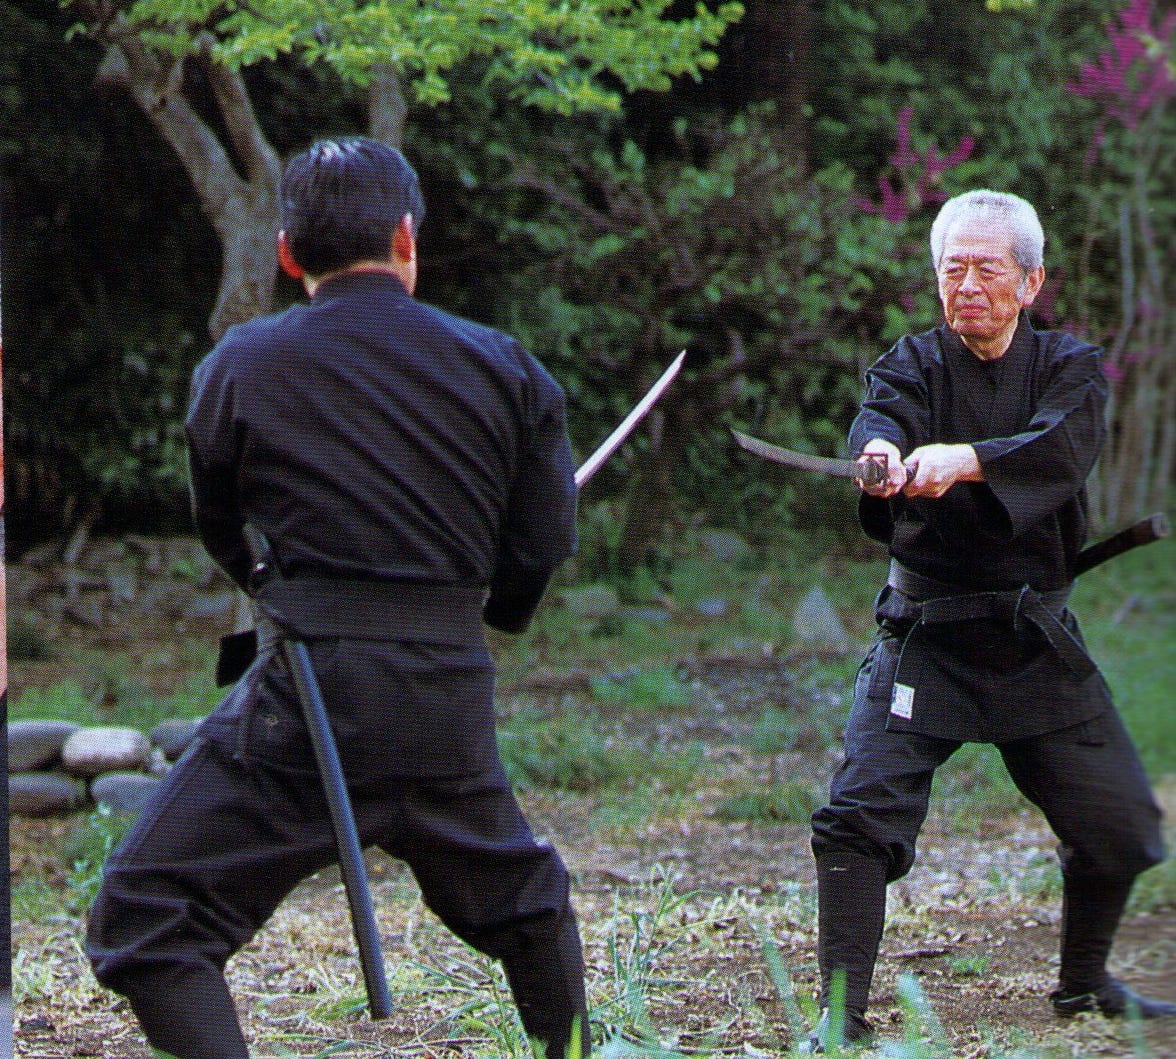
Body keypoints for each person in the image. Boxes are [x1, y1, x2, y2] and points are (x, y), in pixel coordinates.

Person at [85, 137, 590, 1059]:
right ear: (406, 237)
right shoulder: (505, 367)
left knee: (145, 915)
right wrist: (488, 610)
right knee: (525, 903)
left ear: (285, 253)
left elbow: (222, 528)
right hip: (445, 694)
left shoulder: (240, 365)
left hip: (309, 700)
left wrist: (279, 595)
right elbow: (543, 541)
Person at [804, 189, 1173, 1051]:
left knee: (1123, 828)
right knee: (855, 822)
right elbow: (881, 414)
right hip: (925, 638)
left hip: (1029, 638)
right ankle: (837, 1016)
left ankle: (1083, 985)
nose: (966, 284)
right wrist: (885, 455)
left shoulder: (1072, 369)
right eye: (951, 268)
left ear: (1031, 281)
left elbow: (1059, 447)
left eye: (986, 268)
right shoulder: (912, 364)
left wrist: (965, 462)